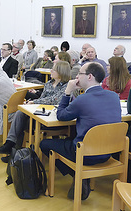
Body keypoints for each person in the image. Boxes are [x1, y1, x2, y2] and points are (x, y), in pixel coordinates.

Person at [40, 62, 121, 200]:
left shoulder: (83, 99)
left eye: (79, 74)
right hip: (108, 152)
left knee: (44, 144)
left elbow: (61, 116)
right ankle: (81, 176)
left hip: (85, 154)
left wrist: (67, 92)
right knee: (73, 136)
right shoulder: (114, 96)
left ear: (89, 76)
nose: (76, 77)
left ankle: (77, 174)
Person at [0, 61, 71, 155]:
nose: (51, 71)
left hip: (54, 117)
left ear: (61, 72)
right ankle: (13, 149)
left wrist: (34, 102)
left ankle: (13, 150)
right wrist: (31, 102)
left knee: (20, 121)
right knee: (19, 114)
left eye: (54, 69)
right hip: (42, 113)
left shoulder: (67, 86)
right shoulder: (48, 83)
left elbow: (55, 100)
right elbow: (42, 99)